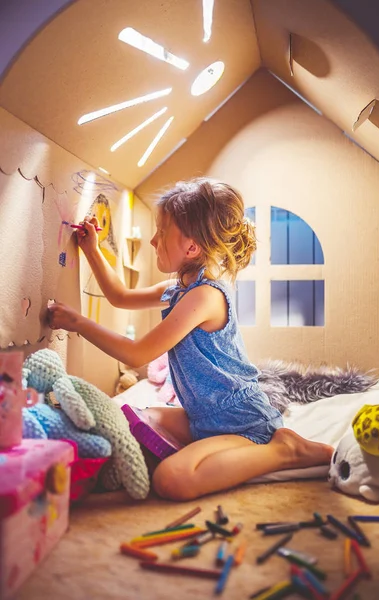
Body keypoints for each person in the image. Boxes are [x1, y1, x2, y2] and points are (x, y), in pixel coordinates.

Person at [48, 178, 333, 501]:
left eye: (162, 232)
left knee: (172, 480)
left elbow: (136, 354)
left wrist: (77, 322)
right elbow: (120, 296)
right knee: (128, 419)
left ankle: (286, 449)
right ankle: (210, 447)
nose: (154, 240)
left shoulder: (205, 296)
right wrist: (93, 249)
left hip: (241, 421)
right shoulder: (177, 290)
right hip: (202, 416)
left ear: (192, 247)